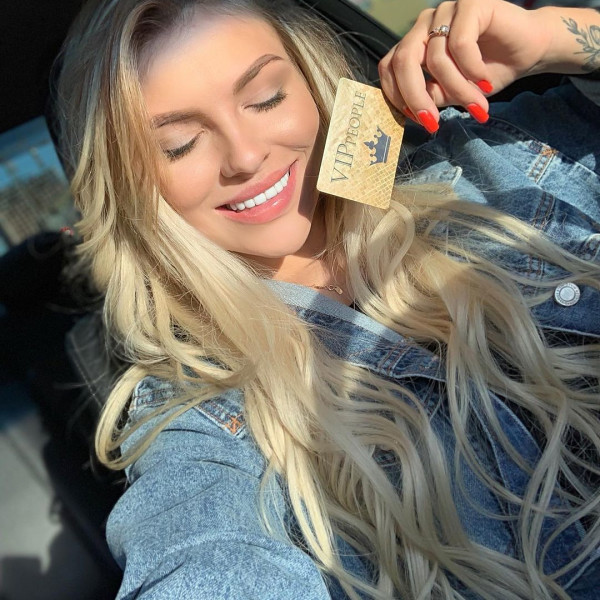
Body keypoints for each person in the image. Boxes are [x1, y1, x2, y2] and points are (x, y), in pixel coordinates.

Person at [54, 0, 600, 597]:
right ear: (128, 187)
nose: (245, 156)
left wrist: (556, 39)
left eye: (266, 98)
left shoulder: (496, 163)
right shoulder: (207, 428)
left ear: (313, 82)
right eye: (180, 144)